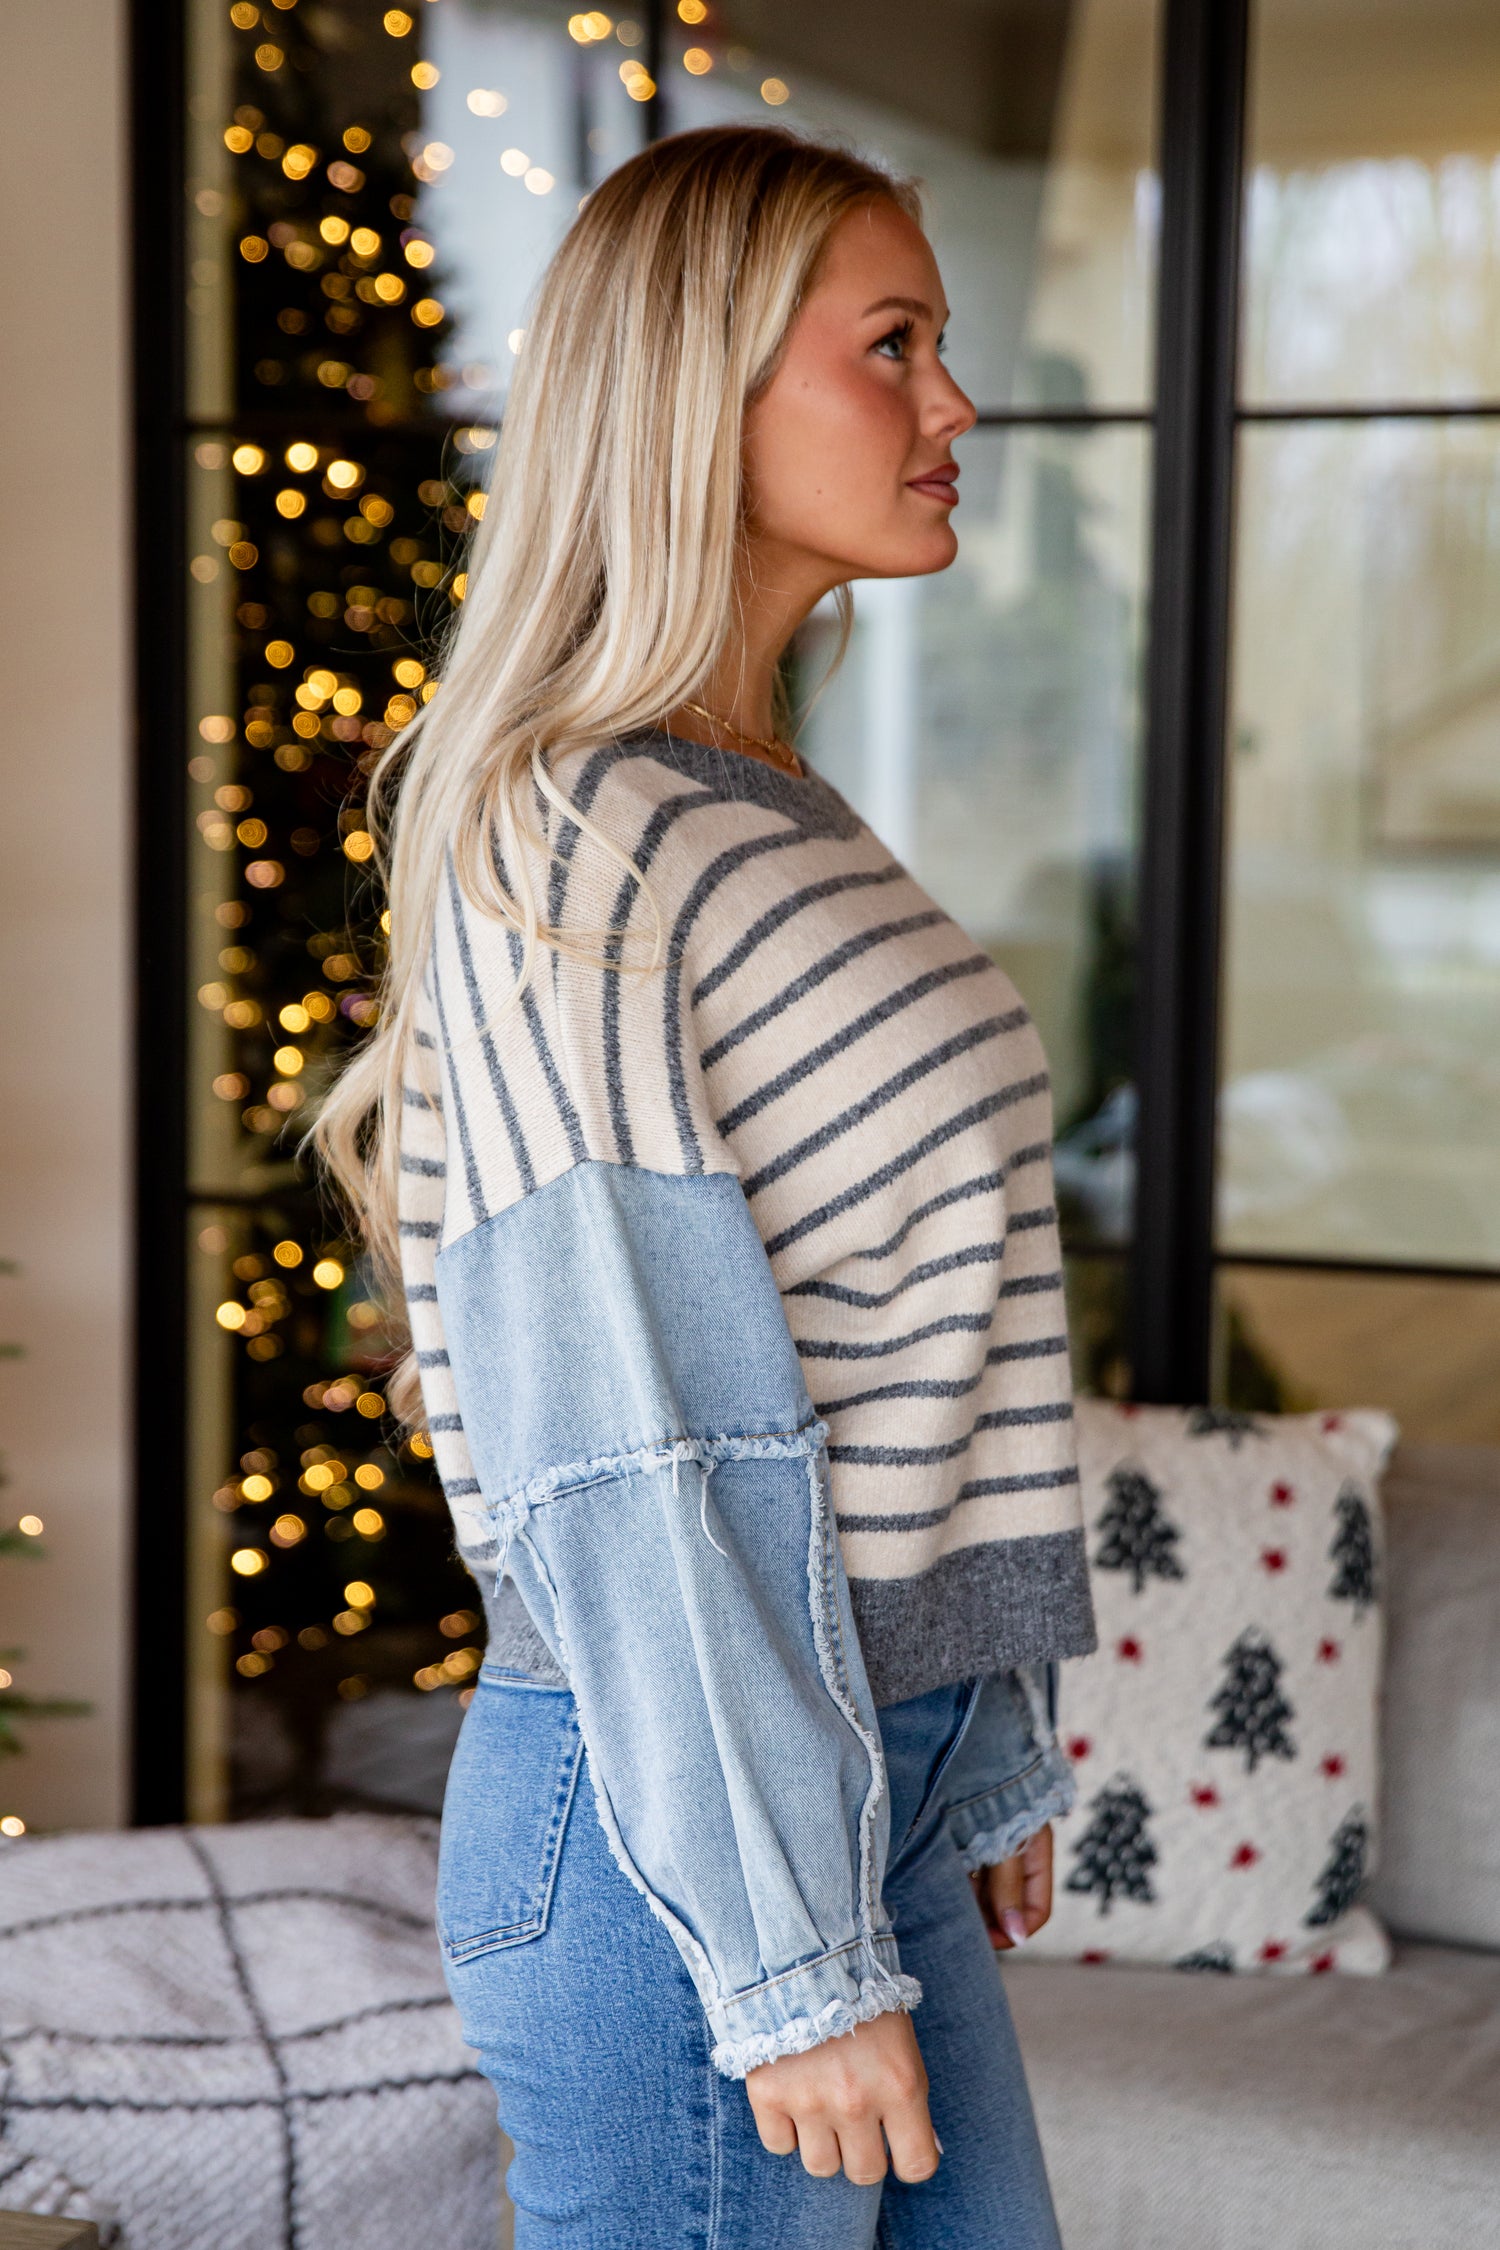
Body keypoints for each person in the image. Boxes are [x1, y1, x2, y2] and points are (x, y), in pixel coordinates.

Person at [315, 124, 1097, 2249]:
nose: (954, 407)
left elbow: (907, 1315)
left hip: (862, 1789)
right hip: (690, 1832)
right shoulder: (572, 833)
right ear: (702, 390)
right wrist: (785, 1955)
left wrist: (981, 1725)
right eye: (895, 347)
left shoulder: (758, 803)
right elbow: (628, 1446)